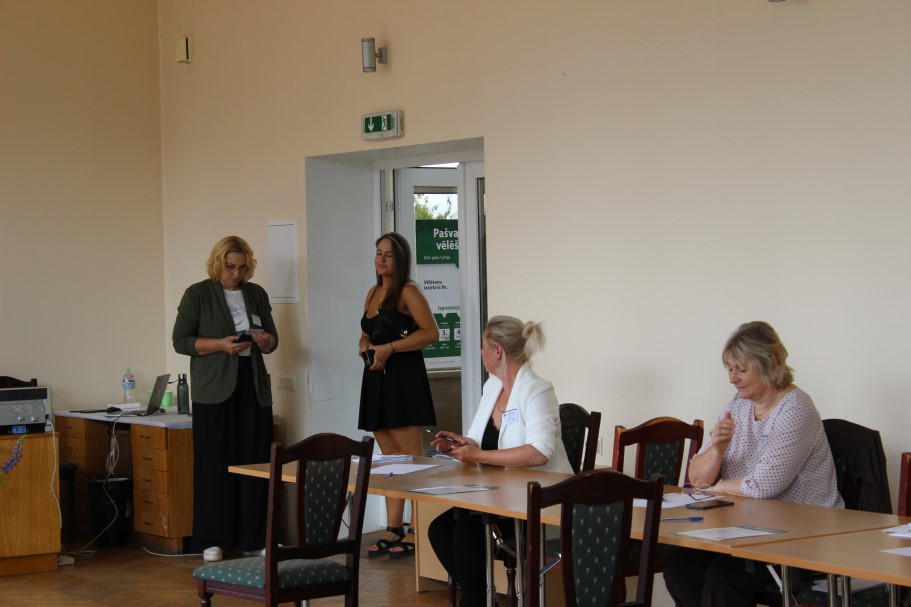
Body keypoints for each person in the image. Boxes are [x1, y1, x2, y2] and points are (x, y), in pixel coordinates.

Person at [664, 320, 843, 607]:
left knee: (723, 578)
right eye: (729, 369)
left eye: (742, 369)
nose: (733, 378)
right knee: (679, 568)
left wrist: (719, 486)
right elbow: (697, 479)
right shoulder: (737, 404)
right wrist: (717, 450)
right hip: (747, 529)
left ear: (771, 363)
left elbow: (763, 486)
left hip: (801, 534)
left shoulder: (796, 408)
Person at [427, 315, 573, 607]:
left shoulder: (537, 390)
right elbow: (477, 439)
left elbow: (539, 452)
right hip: (498, 497)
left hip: (539, 502)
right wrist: (461, 444)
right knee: (440, 530)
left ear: (497, 351)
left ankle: (476, 601)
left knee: (466, 534)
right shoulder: (492, 387)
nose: (480, 352)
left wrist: (478, 455)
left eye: (483, 345)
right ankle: (482, 598)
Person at [172, 235, 278, 563]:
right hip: (214, 389)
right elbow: (181, 341)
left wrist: (265, 341)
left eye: (242, 268)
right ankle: (213, 539)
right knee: (214, 464)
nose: (236, 274)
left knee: (255, 464)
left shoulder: (256, 294)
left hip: (252, 386)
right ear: (217, 264)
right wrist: (220, 345)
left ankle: (253, 538)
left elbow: (273, 339)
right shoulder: (197, 294)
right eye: (230, 267)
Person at [358, 232, 438, 559]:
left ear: (400, 259)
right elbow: (366, 332)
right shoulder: (373, 291)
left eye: (388, 255)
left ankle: (418, 529)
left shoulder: (408, 291)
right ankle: (394, 528)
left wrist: (389, 348)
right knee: (390, 459)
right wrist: (365, 345)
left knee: (412, 459)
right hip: (376, 376)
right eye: (378, 253)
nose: (381, 259)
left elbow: (431, 333)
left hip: (404, 378)